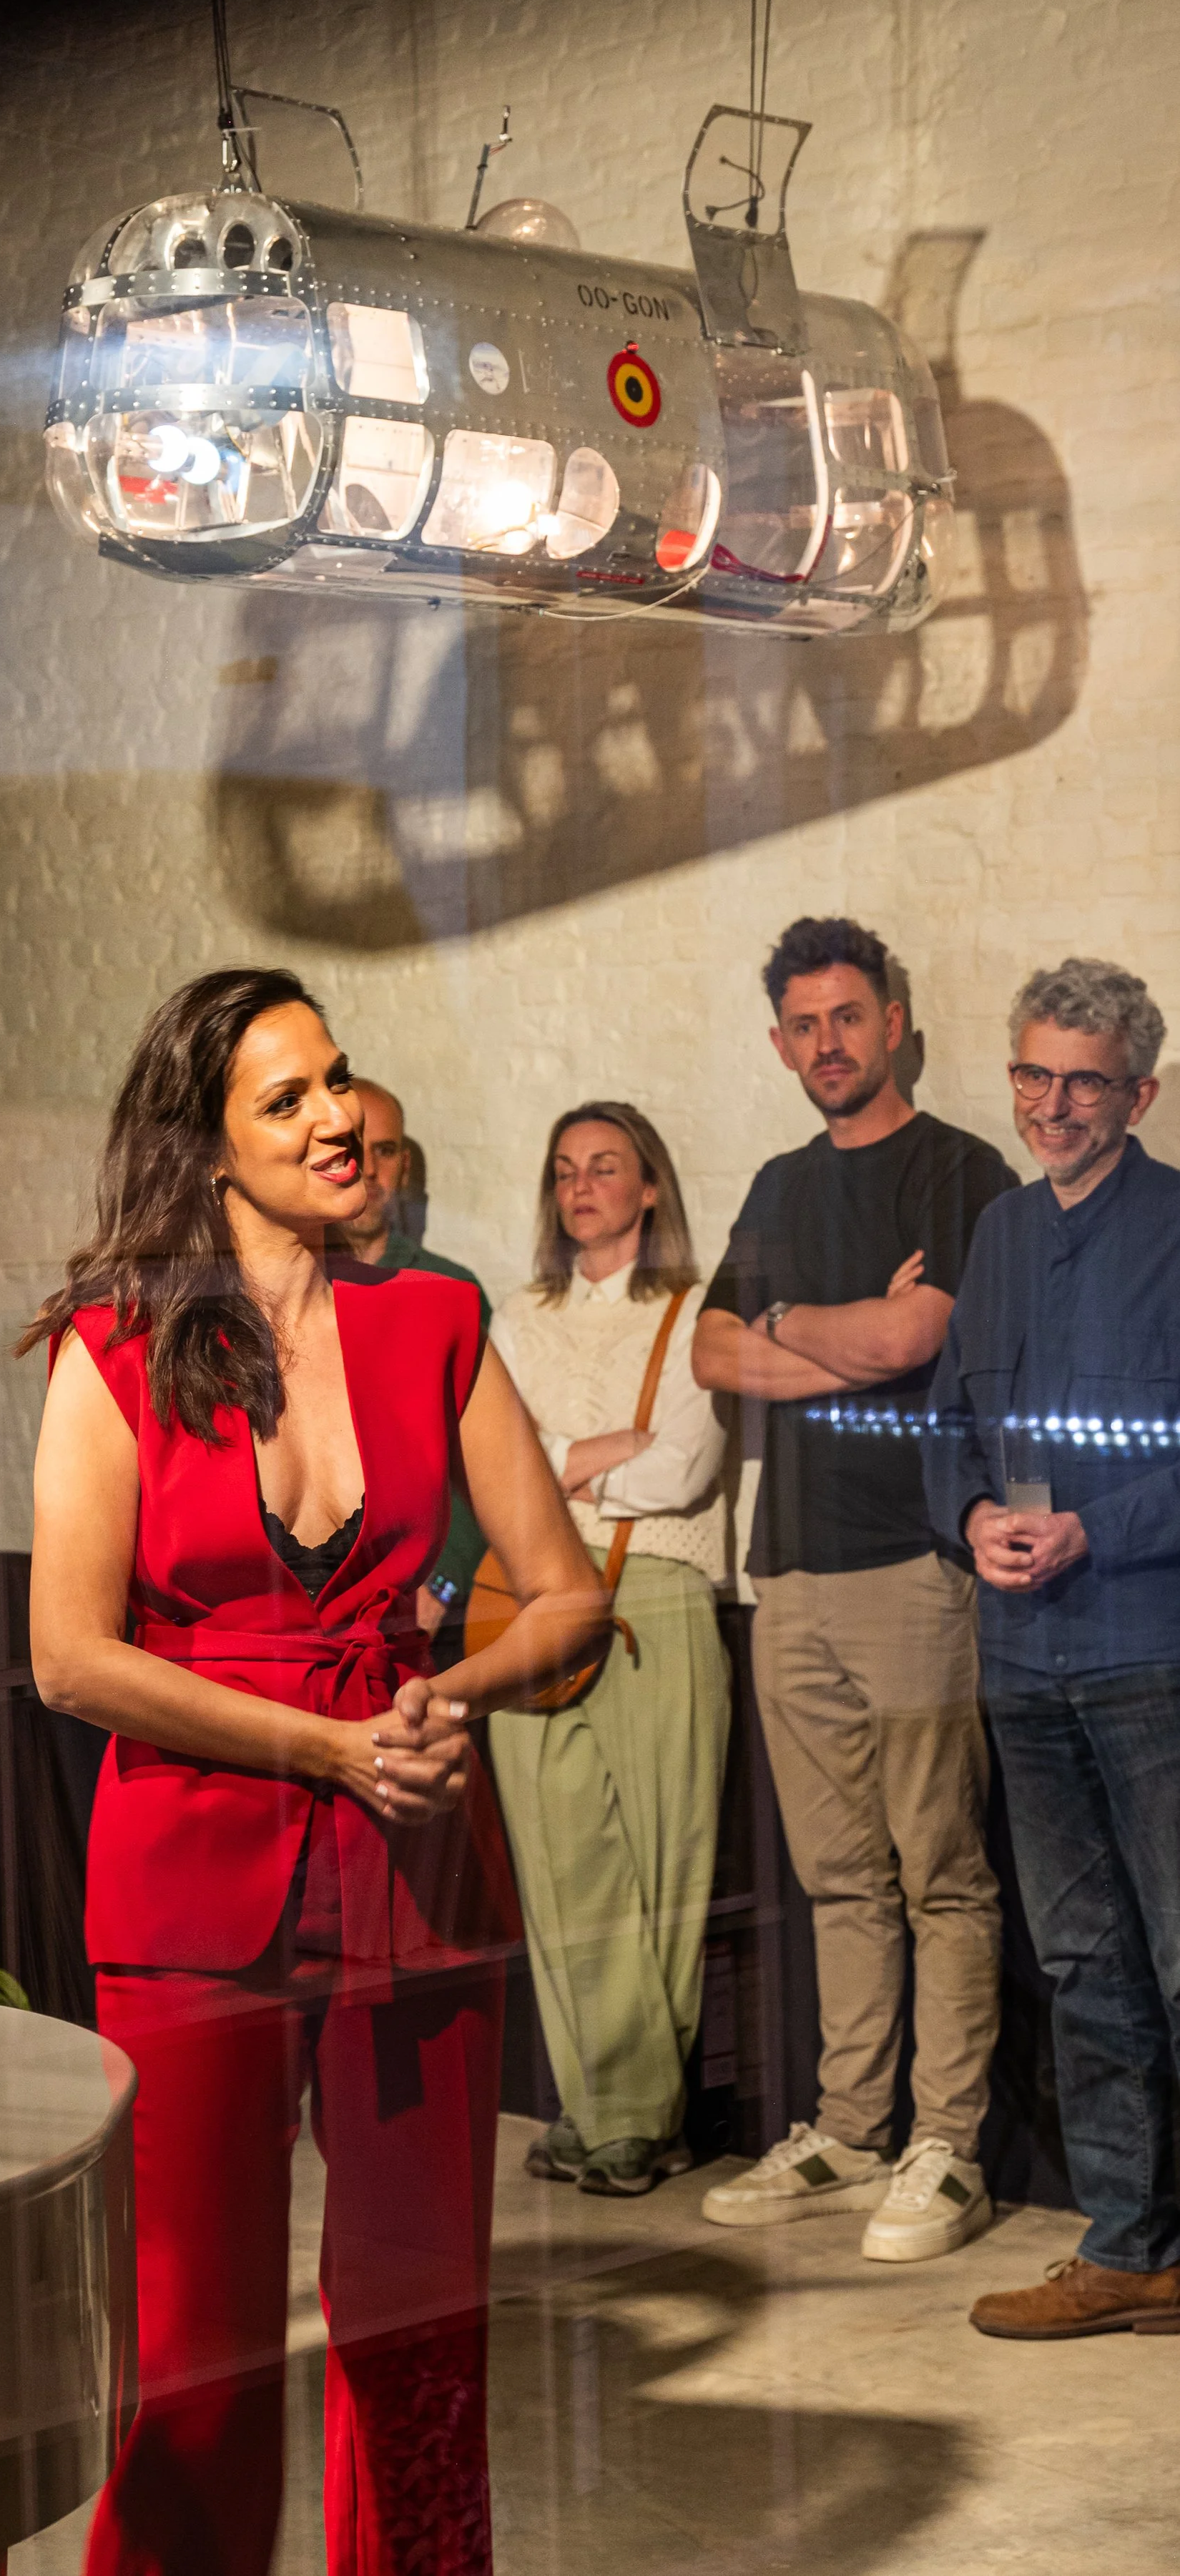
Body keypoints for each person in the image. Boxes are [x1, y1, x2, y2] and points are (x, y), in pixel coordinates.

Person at [23, 967, 605, 2575]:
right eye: (283, 1099)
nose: (336, 1117)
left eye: (335, 1079)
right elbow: (70, 1655)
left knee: (419, 2326)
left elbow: (566, 1601)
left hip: (414, 1871)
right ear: (205, 1146)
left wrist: (450, 1697)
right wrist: (326, 1743)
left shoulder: (434, 1321)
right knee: (193, 2344)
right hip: (189, 1880)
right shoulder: (116, 1347)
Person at [692, 915, 1016, 2263]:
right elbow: (712, 1349)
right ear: (782, 1043)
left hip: (915, 1560)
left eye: (849, 1016)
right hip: (790, 1568)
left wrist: (806, 1333)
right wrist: (827, 1340)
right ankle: (848, 2122)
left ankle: (947, 2145)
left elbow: (921, 1329)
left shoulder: (959, 1169)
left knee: (940, 1868)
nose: (829, 1041)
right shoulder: (776, 1184)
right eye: (804, 1024)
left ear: (893, 1023)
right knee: (839, 1876)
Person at [923, 959, 1180, 2341]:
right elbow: (951, 1435)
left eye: (1084, 1078)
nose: (1053, 1102)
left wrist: (1101, 1530)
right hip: (1020, 1661)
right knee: (1084, 1963)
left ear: (1138, 1091)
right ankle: (1133, 2246)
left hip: (1154, 1651)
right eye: (1033, 1072)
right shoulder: (1001, 1235)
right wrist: (971, 1516)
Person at [488, 1101, 731, 2196]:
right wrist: (598, 1450)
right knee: (561, 1861)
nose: (583, 1185)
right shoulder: (513, 1316)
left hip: (663, 1594)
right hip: (529, 1599)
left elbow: (684, 1471)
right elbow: (491, 1464)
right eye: (566, 1170)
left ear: (649, 1187)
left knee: (662, 1863)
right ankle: (610, 2106)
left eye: (607, 1167)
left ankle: (627, 2119)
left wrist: (553, 1460)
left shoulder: (697, 1314)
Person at [344, 1074, 491, 1640]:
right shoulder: (287, 1288)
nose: (371, 1169)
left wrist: (445, 1581)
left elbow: (482, 1458)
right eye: (355, 1148)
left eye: (385, 1151)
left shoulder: (450, 1290)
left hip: (424, 1603)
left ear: (403, 1166)